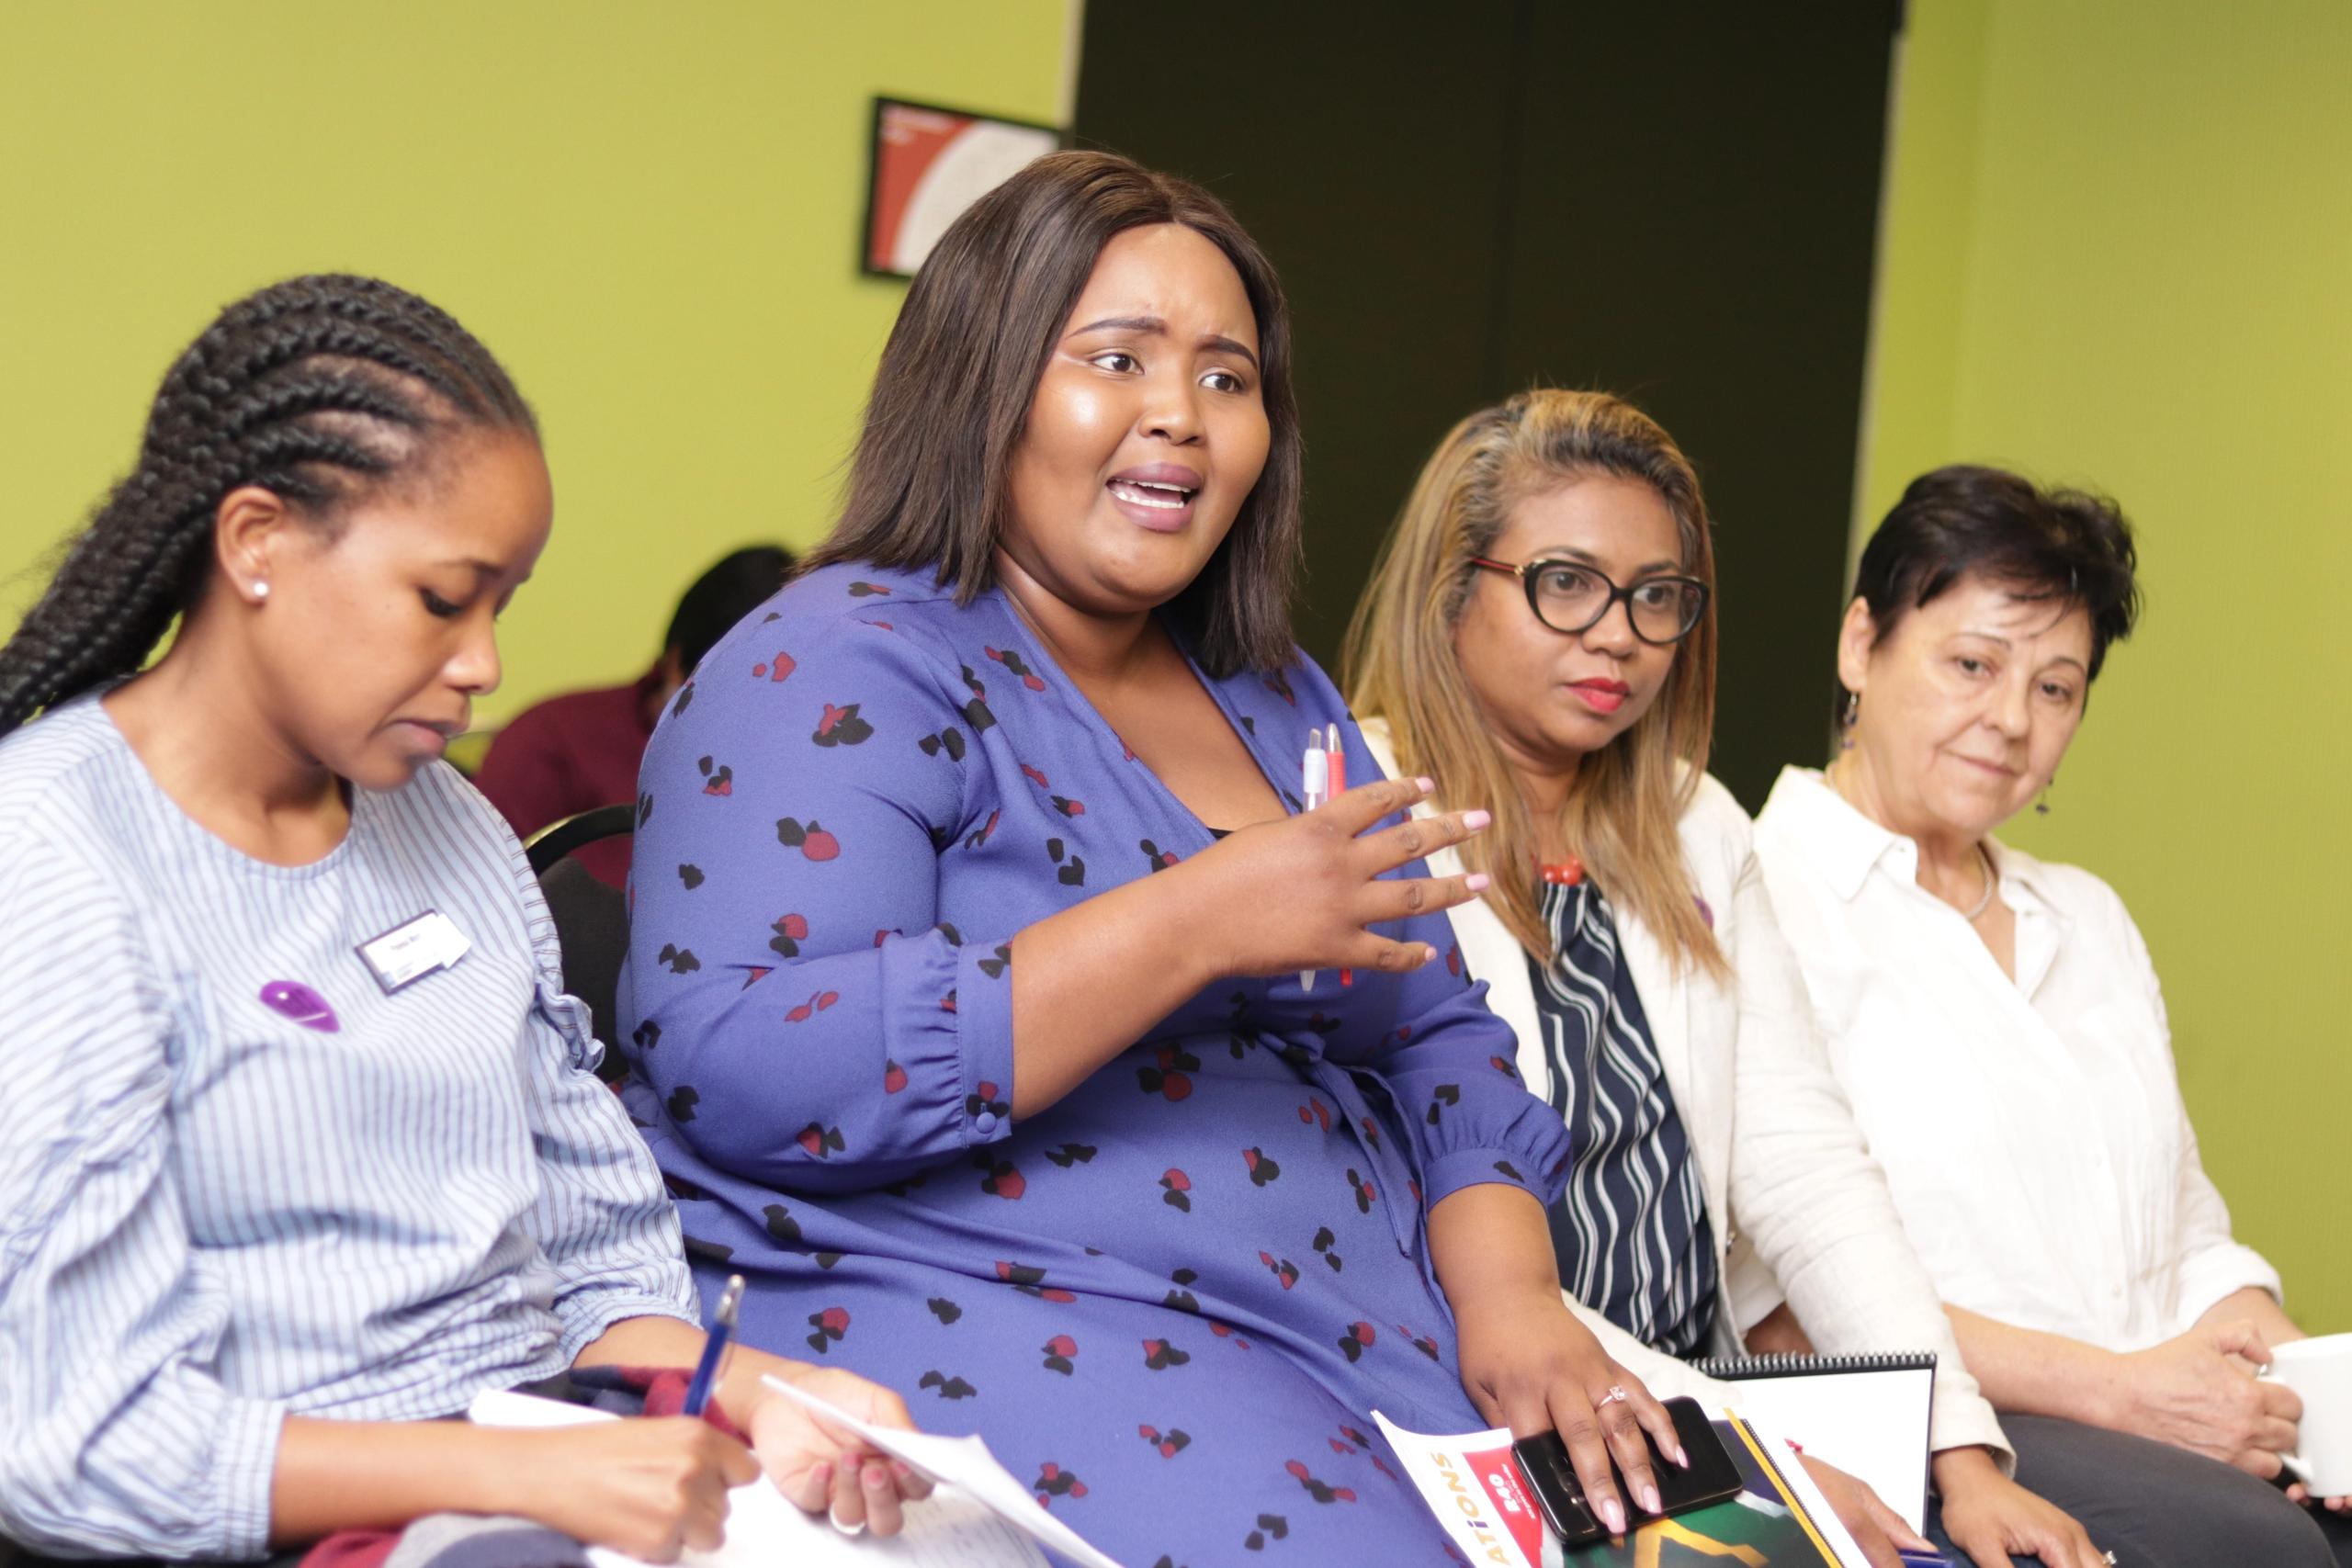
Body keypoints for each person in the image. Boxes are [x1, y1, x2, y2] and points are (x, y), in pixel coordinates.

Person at [617, 152, 1692, 1566]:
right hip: (1030, 1313)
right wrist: (1194, 921)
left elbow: (1438, 1025)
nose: (1179, 417)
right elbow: (740, 1058)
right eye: (1116, 358)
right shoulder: (838, 658)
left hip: (1381, 1331)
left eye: (1228, 377)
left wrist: (1514, 1301)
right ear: (983, 379)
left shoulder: (1268, 689)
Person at [0, 276, 924, 1563]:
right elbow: (81, 1440)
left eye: (507, 603)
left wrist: (754, 1388)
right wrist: (533, 1471)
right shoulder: (51, 856)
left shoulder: (451, 826)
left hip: (524, 1461)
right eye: (446, 598)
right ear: (256, 539)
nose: (487, 661)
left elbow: (606, 1262)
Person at [1342, 389, 2102, 1568]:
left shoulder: (1696, 821)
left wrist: (1958, 1456)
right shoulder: (1359, 813)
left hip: (1718, 1398)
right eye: (1564, 583)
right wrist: (1756, 1457)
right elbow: (1418, 1245)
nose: (1617, 636)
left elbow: (1806, 1172)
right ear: (1452, 587)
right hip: (1505, 1404)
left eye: (1657, 598)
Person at [1751, 464, 2352, 1565]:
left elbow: (2188, 1244)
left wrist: (2323, 1394)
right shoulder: (1755, 895)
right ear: (1858, 646)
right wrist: (2126, 1395)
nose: (2009, 722)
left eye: (2056, 688)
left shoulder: (2087, 917)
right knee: (2257, 1550)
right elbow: (1775, 1304)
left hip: (2157, 1411)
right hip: (1943, 1426)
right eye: (1972, 665)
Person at [474, 544, 794, 886]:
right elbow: (474, 887)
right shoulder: (552, 743)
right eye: (737, 695)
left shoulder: (805, 766)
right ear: (676, 661)